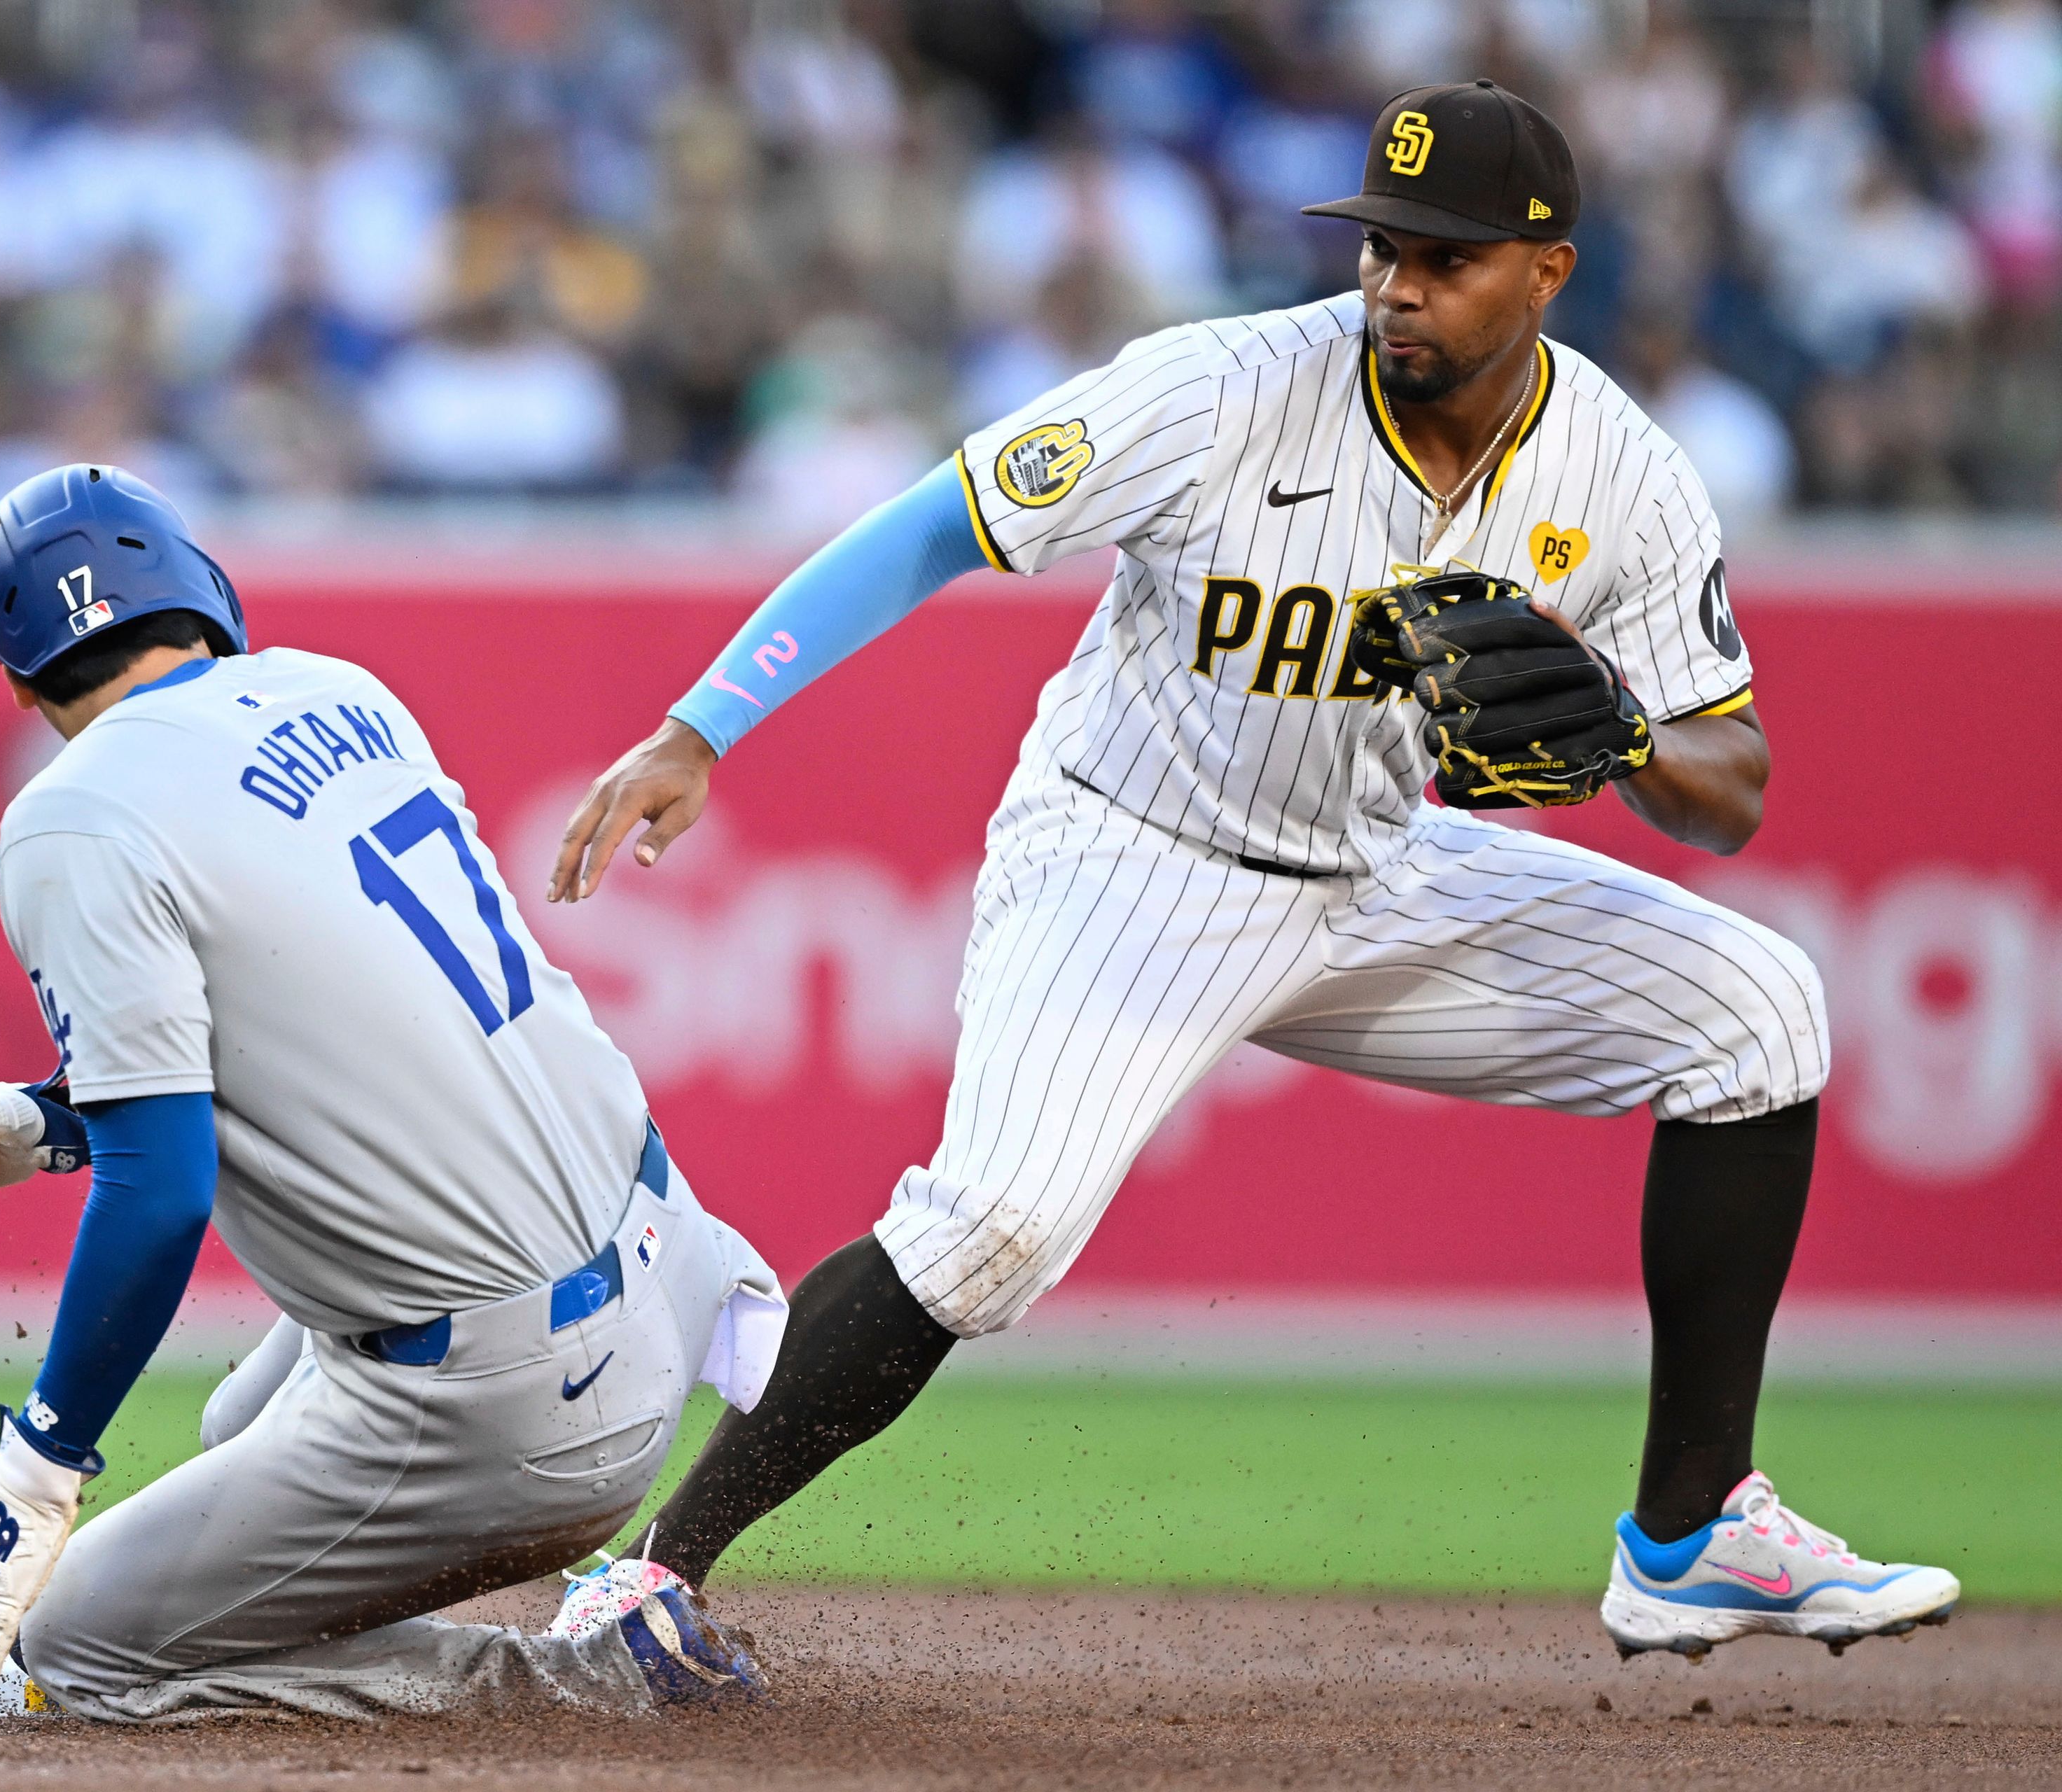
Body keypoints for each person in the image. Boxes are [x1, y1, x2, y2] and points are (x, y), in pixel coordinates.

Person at [548, 83, 1959, 1662]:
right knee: (993, 1227)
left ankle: (1692, 1531)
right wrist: (701, 724)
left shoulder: (1621, 471)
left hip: (1373, 873)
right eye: (1381, 249)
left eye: (1446, 258)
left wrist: (1628, 730)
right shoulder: (1221, 390)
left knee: (1762, 1013)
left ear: (1549, 269)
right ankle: (651, 1570)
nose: (1396, 286)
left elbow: (1731, 788)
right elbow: (931, 527)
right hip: (1129, 853)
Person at [0, 463, 779, 1721]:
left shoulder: (69, 816)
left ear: (23, 684)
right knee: (239, 1432)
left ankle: (583, 1685)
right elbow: (321, 1028)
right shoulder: (342, 691)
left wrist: (40, 1464)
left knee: (75, 1650)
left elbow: (165, 1187)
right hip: (669, 1252)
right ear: (210, 597)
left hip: (516, 1397)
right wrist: (44, 1123)